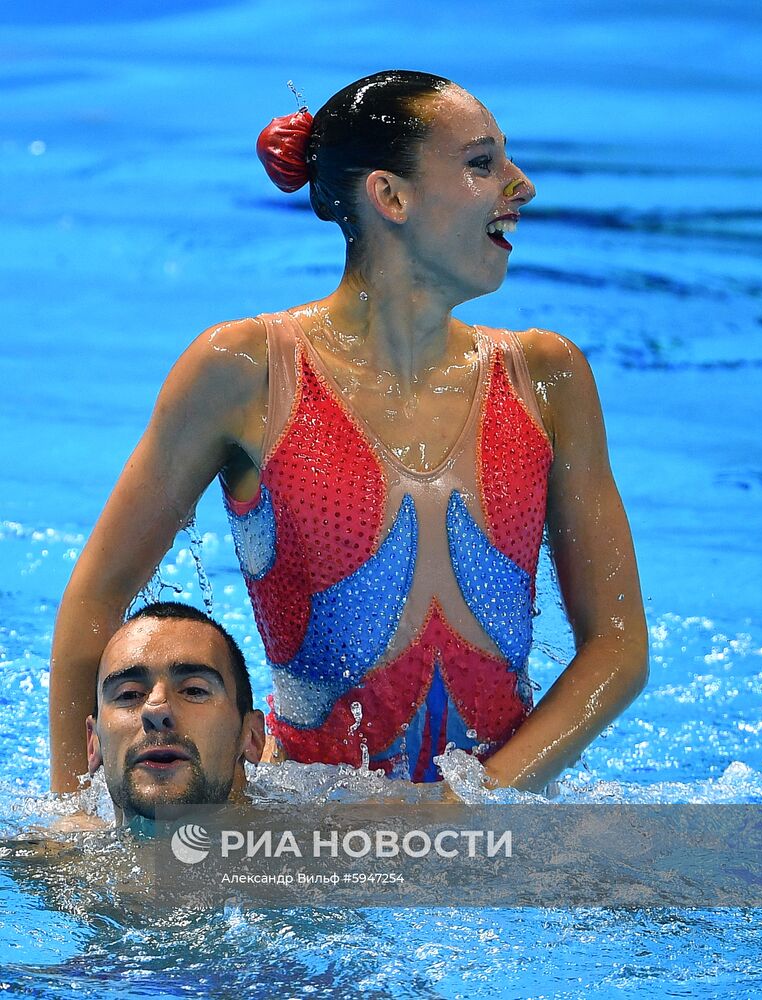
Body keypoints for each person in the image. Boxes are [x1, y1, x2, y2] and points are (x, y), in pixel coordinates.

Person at [50, 70, 648, 794]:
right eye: (481, 163)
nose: (519, 186)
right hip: (307, 824)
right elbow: (97, 595)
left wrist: (477, 802)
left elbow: (618, 649)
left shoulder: (546, 377)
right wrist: (74, 806)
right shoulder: (248, 372)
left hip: (504, 816)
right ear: (389, 197)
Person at [87, 601, 264, 824]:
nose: (155, 709)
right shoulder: (52, 857)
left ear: (253, 737)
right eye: (129, 694)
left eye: (193, 690)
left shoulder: (312, 846)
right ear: (93, 743)